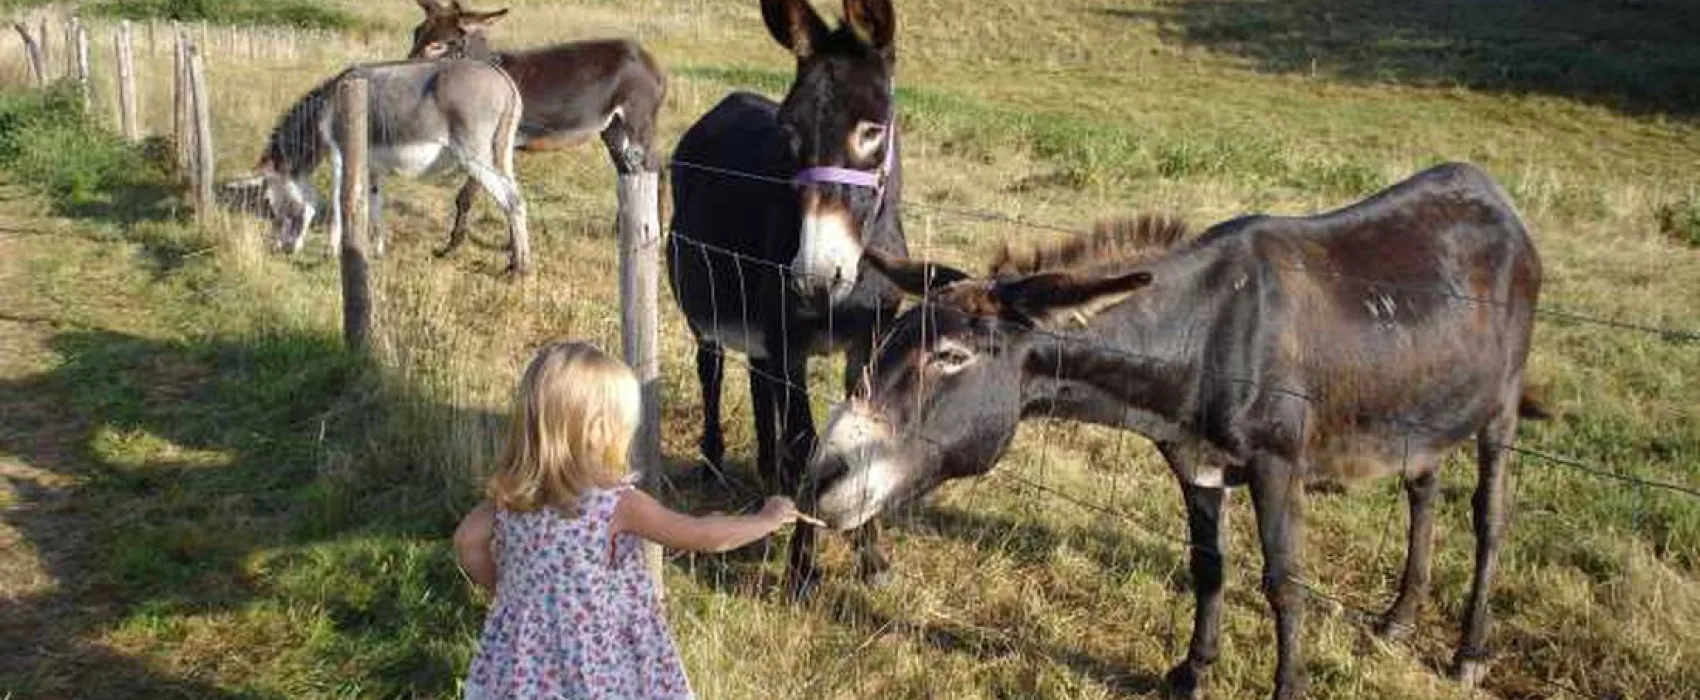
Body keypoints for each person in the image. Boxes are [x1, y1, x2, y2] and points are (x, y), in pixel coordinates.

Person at [453, 340, 809, 700]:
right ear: (598, 429)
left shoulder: (513, 499)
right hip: (597, 661)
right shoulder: (614, 504)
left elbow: (467, 542)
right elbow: (700, 535)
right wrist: (764, 520)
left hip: (526, 663)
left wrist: (511, 594)